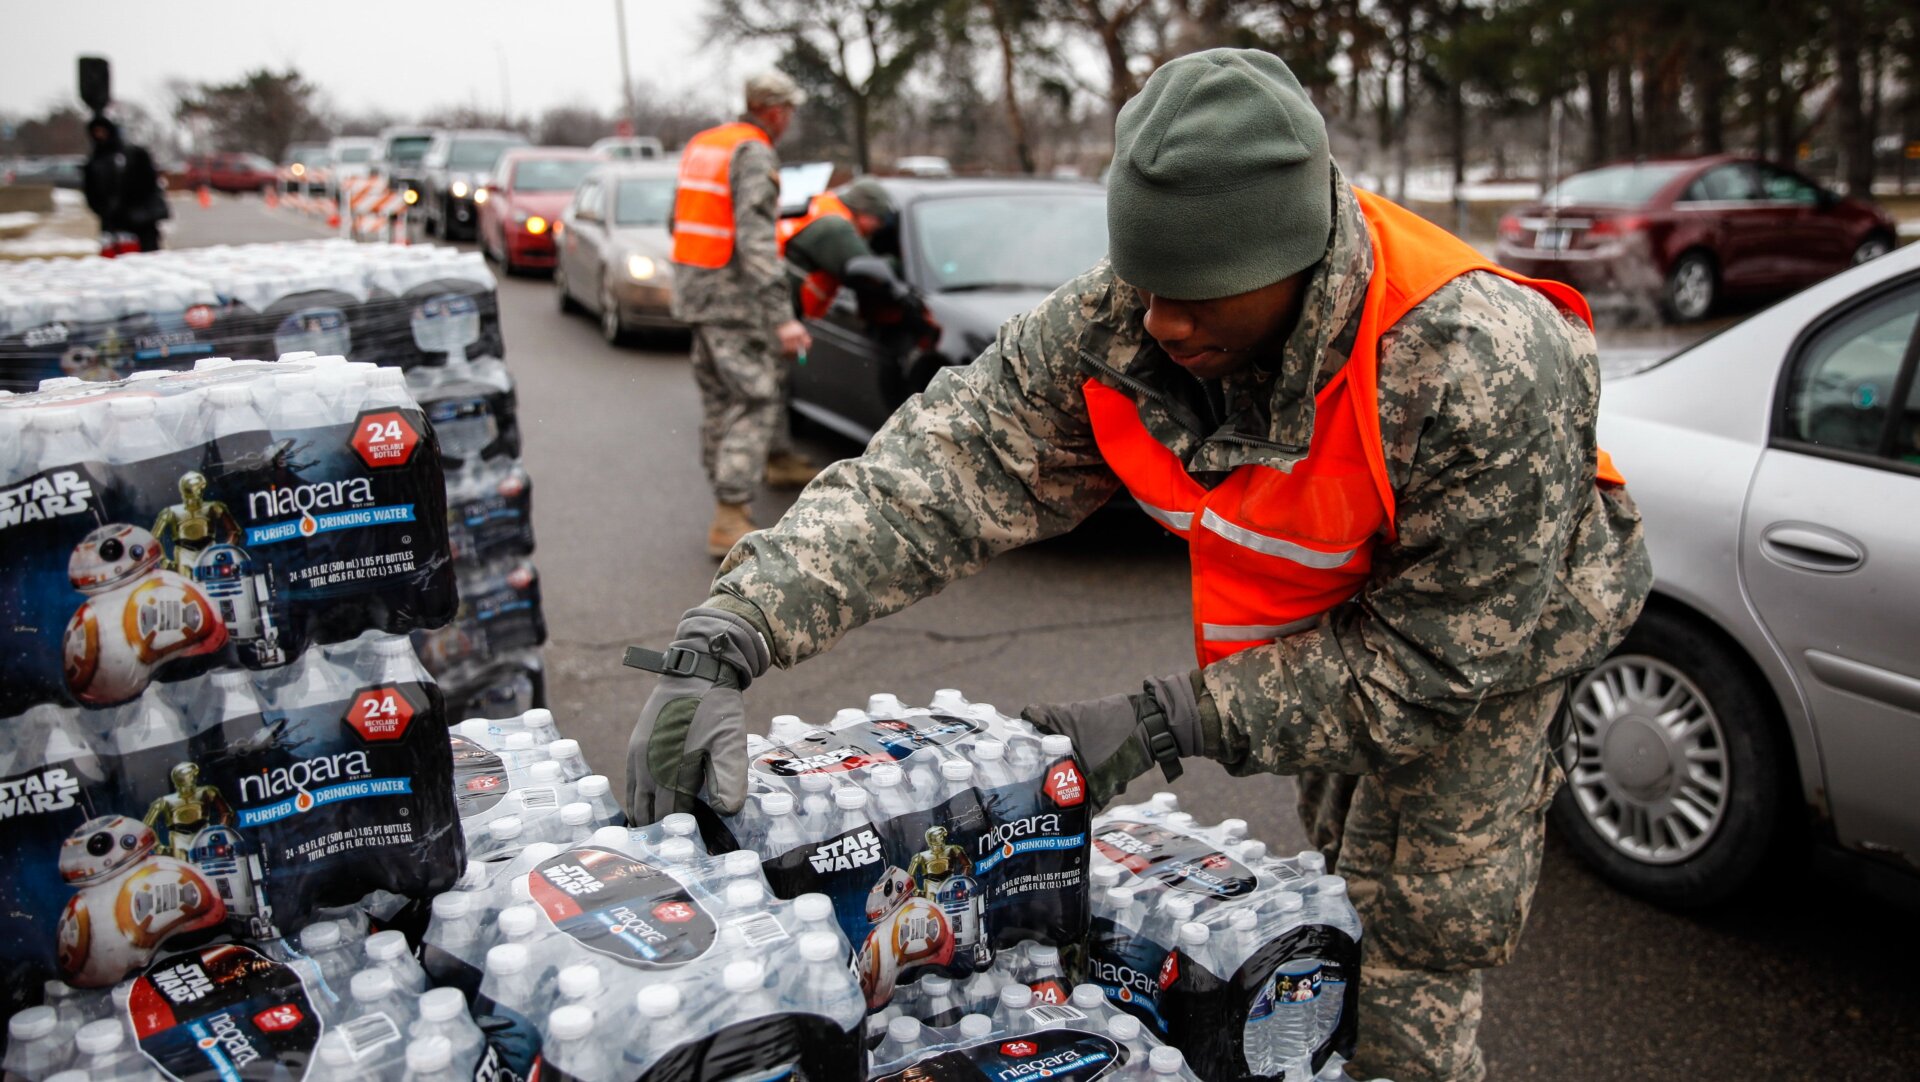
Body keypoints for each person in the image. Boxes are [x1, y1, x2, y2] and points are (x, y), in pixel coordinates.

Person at [625, 49, 1651, 1082]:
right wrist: (730, 631)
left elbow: (1429, 668)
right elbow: (937, 470)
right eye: (1146, 279)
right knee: (1330, 873)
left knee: (1416, 918)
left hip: (1486, 637)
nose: (1163, 320)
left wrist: (1172, 717)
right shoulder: (1126, 318)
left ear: (1296, 259)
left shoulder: (1480, 361)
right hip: (1328, 607)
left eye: (1200, 290)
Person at [669, 71, 814, 558]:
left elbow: (680, 219)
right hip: (735, 299)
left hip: (697, 293)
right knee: (754, 397)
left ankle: (770, 462)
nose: (790, 119)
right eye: (789, 111)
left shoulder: (706, 144)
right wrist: (782, 316)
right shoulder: (753, 151)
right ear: (773, 110)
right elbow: (755, 240)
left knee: (718, 398)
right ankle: (729, 515)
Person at [82, 116, 167, 253]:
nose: (100, 136)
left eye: (103, 131)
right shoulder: (94, 162)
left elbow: (149, 183)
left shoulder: (134, 154)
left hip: (142, 219)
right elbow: (91, 192)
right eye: (96, 132)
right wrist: (106, 211)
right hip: (113, 221)